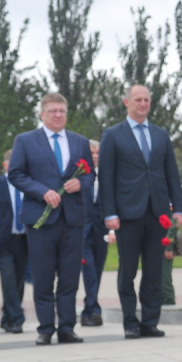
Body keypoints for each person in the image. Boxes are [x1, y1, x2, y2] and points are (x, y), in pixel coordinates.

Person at [100, 84, 182, 339]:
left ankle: (150, 321)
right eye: (138, 99)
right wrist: (109, 213)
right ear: (126, 102)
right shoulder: (113, 135)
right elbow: (106, 177)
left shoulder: (161, 135)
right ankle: (130, 322)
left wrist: (178, 208)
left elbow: (171, 174)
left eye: (147, 99)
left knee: (154, 271)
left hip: (158, 212)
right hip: (127, 214)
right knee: (128, 271)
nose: (143, 103)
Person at [8, 93, 93, 345]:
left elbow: (90, 175)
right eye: (53, 111)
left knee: (69, 277)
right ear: (42, 114)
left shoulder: (80, 142)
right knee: (43, 276)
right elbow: (16, 174)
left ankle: (67, 328)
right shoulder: (25, 141)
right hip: (40, 220)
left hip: (73, 218)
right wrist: (41, 191)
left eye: (62, 111)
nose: (58, 115)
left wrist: (82, 182)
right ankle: (45, 328)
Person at [0, 150, 28, 333]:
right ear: (6, 165)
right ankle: (17, 318)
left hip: (23, 241)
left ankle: (7, 317)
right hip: (2, 243)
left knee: (19, 282)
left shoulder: (27, 186)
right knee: (8, 280)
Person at [80, 139, 107, 327]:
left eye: (98, 152)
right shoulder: (79, 175)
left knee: (97, 269)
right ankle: (93, 308)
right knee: (88, 268)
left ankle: (88, 311)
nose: (95, 156)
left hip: (102, 230)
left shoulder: (107, 175)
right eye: (92, 153)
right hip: (82, 230)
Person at [161, 217, 182, 305]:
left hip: (163, 244)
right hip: (152, 243)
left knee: (164, 279)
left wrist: (168, 247)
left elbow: (173, 225)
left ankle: (168, 303)